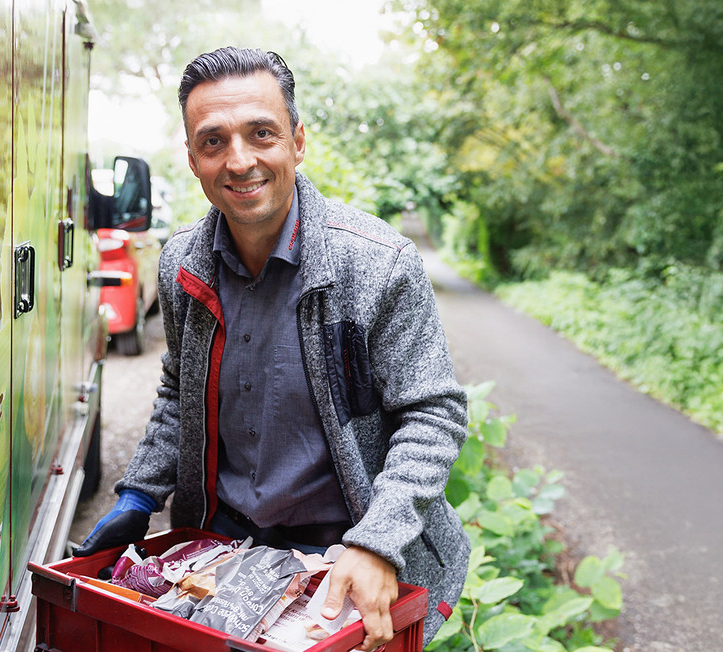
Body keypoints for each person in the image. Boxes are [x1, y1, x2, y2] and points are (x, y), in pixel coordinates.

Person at [75, 46, 470, 650]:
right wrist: (138, 492)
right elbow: (180, 393)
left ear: (297, 141)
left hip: (343, 558)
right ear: (193, 160)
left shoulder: (378, 263)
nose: (239, 161)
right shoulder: (181, 264)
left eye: (261, 133)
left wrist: (377, 542)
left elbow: (433, 415)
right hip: (223, 550)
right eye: (213, 142)